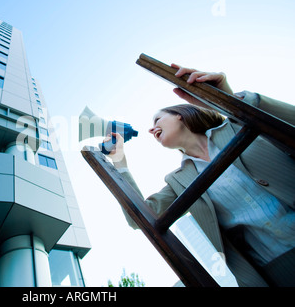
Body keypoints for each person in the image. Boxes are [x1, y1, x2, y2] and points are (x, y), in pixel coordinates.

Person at [104, 63, 295, 287]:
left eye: (157, 120)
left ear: (180, 115)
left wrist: (226, 99)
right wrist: (120, 164)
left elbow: (288, 125)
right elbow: (140, 219)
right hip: (275, 268)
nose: (151, 129)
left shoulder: (237, 126)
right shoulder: (178, 180)